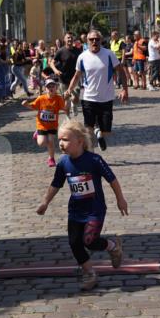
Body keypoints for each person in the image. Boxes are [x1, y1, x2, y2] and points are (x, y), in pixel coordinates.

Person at [36, 120, 128, 292]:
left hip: (95, 209)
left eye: (65, 139)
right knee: (74, 243)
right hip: (76, 211)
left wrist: (120, 199)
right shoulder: (63, 163)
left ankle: (113, 247)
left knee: (90, 241)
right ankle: (90, 273)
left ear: (79, 141)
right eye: (59, 140)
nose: (61, 144)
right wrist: (45, 202)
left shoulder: (94, 160)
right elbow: (56, 184)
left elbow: (112, 179)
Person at [64, 29, 129, 152]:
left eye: (97, 39)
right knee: (88, 129)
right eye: (91, 39)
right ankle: (91, 155)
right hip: (88, 98)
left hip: (106, 98)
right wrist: (69, 90)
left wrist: (125, 90)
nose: (94, 41)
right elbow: (77, 76)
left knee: (106, 131)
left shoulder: (109, 54)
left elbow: (121, 71)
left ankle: (99, 131)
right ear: (87, 41)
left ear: (101, 41)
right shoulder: (82, 57)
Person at [22, 77, 67, 167]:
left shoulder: (58, 99)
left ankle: (51, 158)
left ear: (56, 88)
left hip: (52, 125)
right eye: (48, 86)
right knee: (42, 143)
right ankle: (37, 134)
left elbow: (64, 108)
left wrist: (68, 103)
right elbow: (33, 106)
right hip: (41, 125)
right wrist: (26, 104)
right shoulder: (41, 98)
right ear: (45, 89)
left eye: (52, 86)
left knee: (51, 140)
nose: (51, 88)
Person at [53, 32, 81, 115]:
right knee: (66, 99)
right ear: (64, 39)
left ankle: (74, 105)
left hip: (75, 78)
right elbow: (51, 62)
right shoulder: (60, 51)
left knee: (76, 97)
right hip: (63, 79)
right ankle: (68, 117)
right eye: (68, 37)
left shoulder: (77, 51)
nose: (70, 39)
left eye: (71, 37)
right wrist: (55, 70)